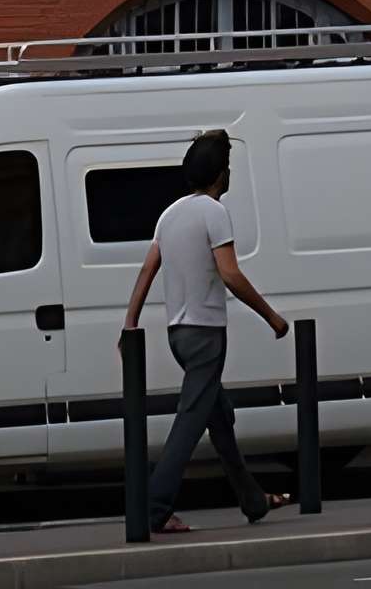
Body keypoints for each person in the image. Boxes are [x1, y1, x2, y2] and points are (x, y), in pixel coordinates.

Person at [119, 128, 288, 535]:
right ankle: (154, 509)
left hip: (178, 333)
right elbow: (230, 274)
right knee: (190, 422)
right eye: (227, 168)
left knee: (218, 418)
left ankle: (253, 500)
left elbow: (148, 269)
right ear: (220, 174)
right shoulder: (214, 212)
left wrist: (130, 323)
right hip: (207, 334)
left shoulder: (170, 214)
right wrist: (272, 317)